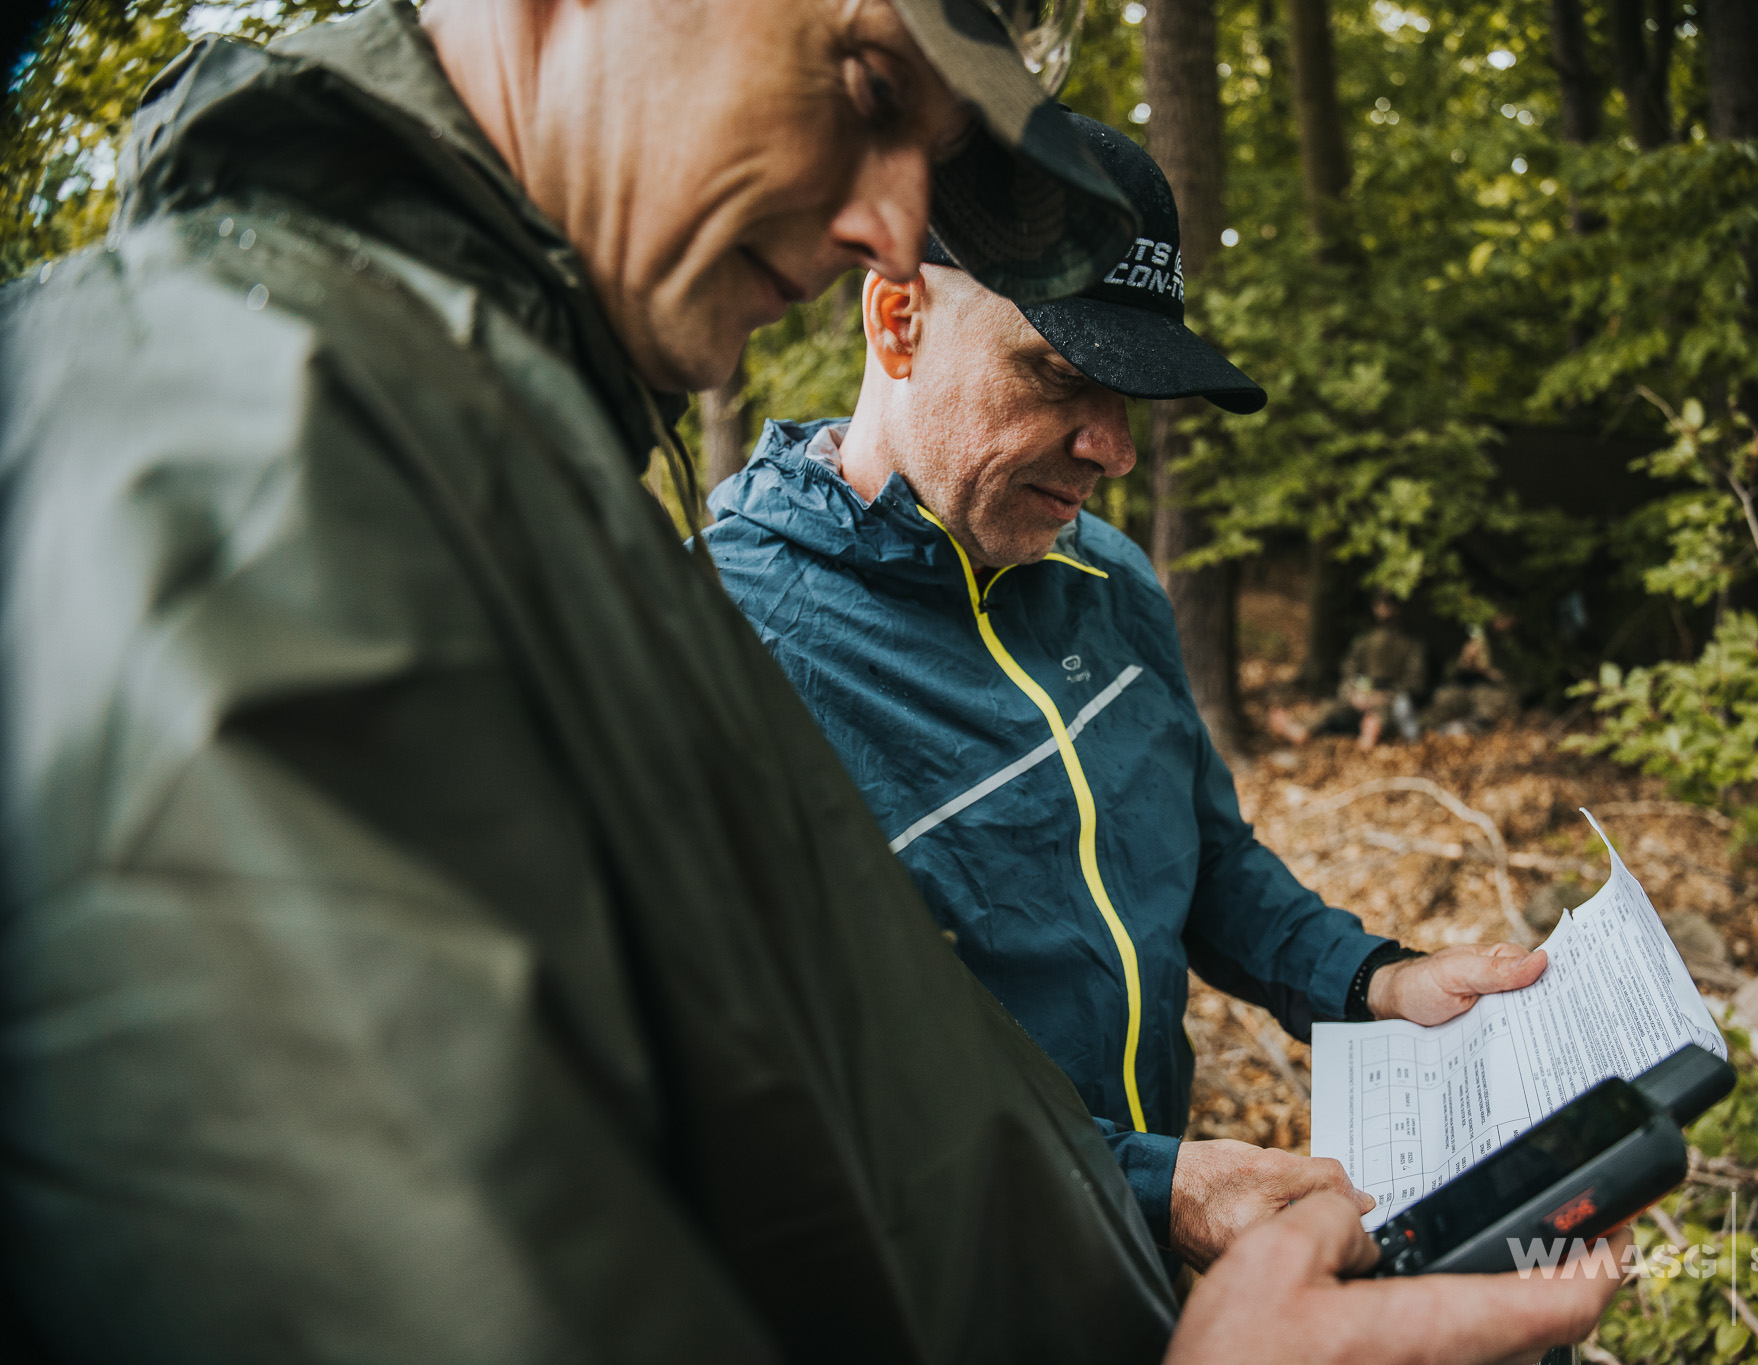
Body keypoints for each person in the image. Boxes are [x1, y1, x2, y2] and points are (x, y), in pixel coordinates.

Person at [0, 1, 1624, 1359]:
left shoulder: (552, 490)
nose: (884, 211)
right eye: (858, 85)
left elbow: (807, 1124)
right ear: (897, 328)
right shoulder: (257, 459)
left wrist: (1296, 1062)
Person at [702, 113, 1552, 1269]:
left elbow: (1202, 861)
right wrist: (1153, 1186)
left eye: (1134, 396)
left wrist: (1374, 979)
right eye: (1060, 373)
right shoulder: (720, 642)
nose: (1114, 450)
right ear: (896, 316)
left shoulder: (1108, 576)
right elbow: (771, 1096)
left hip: (1134, 1257)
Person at [1269, 595, 1427, 751]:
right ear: (1375, 607)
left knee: (1380, 716)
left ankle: (1370, 735)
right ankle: (1302, 728)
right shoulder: (1364, 642)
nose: (1385, 610)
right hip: (1361, 695)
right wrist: (1355, 693)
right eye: (1382, 604)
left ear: (1398, 608)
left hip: (1389, 700)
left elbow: (1415, 683)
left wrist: (1382, 696)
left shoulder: (1412, 645)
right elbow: (1349, 671)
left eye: (1390, 605)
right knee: (1330, 708)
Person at [1421, 614, 1524, 736]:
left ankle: (1473, 729)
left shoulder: (1513, 646)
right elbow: (1448, 673)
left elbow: (1520, 685)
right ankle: (1430, 729)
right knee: (1443, 697)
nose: (1499, 621)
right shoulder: (1474, 640)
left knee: (1489, 706)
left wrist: (1490, 672)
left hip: (1493, 692)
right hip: (1466, 689)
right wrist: (1462, 663)